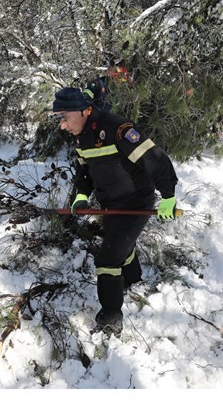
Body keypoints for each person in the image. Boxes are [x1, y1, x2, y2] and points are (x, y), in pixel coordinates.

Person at [51, 86, 179, 337]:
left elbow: (154, 158)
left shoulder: (117, 128)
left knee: (107, 260)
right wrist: (80, 196)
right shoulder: (80, 137)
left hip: (136, 202)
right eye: (59, 119)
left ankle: (110, 319)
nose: (62, 126)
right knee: (120, 245)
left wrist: (168, 196)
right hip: (110, 204)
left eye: (65, 117)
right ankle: (133, 279)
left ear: (85, 110)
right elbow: (85, 172)